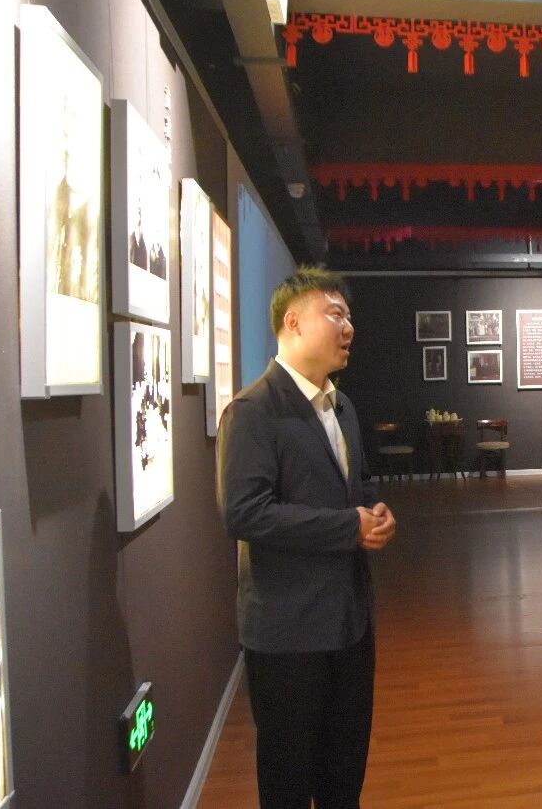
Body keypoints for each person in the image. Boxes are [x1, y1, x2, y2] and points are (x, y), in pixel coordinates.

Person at [217, 265, 396, 809]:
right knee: (288, 779)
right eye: (335, 314)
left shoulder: (341, 406)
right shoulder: (252, 411)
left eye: (349, 316)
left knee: (345, 773)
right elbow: (245, 514)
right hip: (287, 632)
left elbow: (353, 486)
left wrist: (375, 512)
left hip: (350, 621)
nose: (349, 328)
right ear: (292, 323)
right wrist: (348, 527)